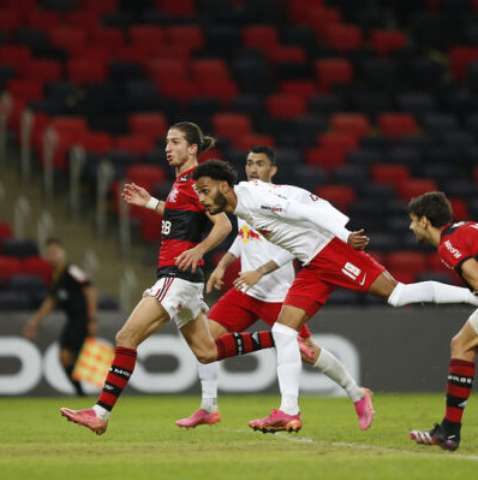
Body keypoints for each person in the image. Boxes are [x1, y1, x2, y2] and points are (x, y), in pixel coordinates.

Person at [192, 159, 478, 433]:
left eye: (205, 191)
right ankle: (288, 411)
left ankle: (472, 297)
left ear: (224, 186)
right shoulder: (243, 202)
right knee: (282, 330)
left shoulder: (253, 198)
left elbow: (306, 211)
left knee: (398, 294)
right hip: (312, 263)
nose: (202, 199)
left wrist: (345, 234)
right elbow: (308, 202)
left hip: (332, 251)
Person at [60, 123, 278, 435]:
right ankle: (281, 338)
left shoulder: (198, 180)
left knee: (125, 338)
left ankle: (100, 413)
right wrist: (150, 203)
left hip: (177, 277)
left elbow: (223, 226)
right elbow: (181, 218)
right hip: (183, 280)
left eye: (175, 142)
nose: (168, 147)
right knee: (207, 351)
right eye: (166, 142)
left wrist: (199, 250)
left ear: (192, 148)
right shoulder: (182, 183)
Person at [176, 146, 374, 431]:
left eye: (259, 164)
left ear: (273, 170)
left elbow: (294, 248)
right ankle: (208, 407)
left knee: (307, 350)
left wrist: (261, 270)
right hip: (245, 291)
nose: (253, 169)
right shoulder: (239, 196)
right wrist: (223, 264)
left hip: (278, 292)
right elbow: (242, 237)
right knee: (204, 340)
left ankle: (357, 394)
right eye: (248, 163)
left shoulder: (277, 198)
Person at [407, 192, 478, 451]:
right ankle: (450, 431)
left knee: (462, 344)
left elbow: (476, 277)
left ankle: (450, 432)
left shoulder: (448, 244)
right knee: (462, 344)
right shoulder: (463, 230)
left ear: (425, 221)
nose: (411, 226)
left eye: (413, 220)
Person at [23, 237, 96, 396]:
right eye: (49, 253)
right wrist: (34, 323)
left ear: (62, 253)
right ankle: (80, 392)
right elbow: (50, 302)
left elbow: (89, 290)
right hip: (72, 320)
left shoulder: (71, 270)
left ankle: (83, 392)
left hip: (81, 318)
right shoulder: (54, 277)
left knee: (68, 355)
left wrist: (92, 318)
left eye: (55, 252)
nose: (53, 256)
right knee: (64, 356)